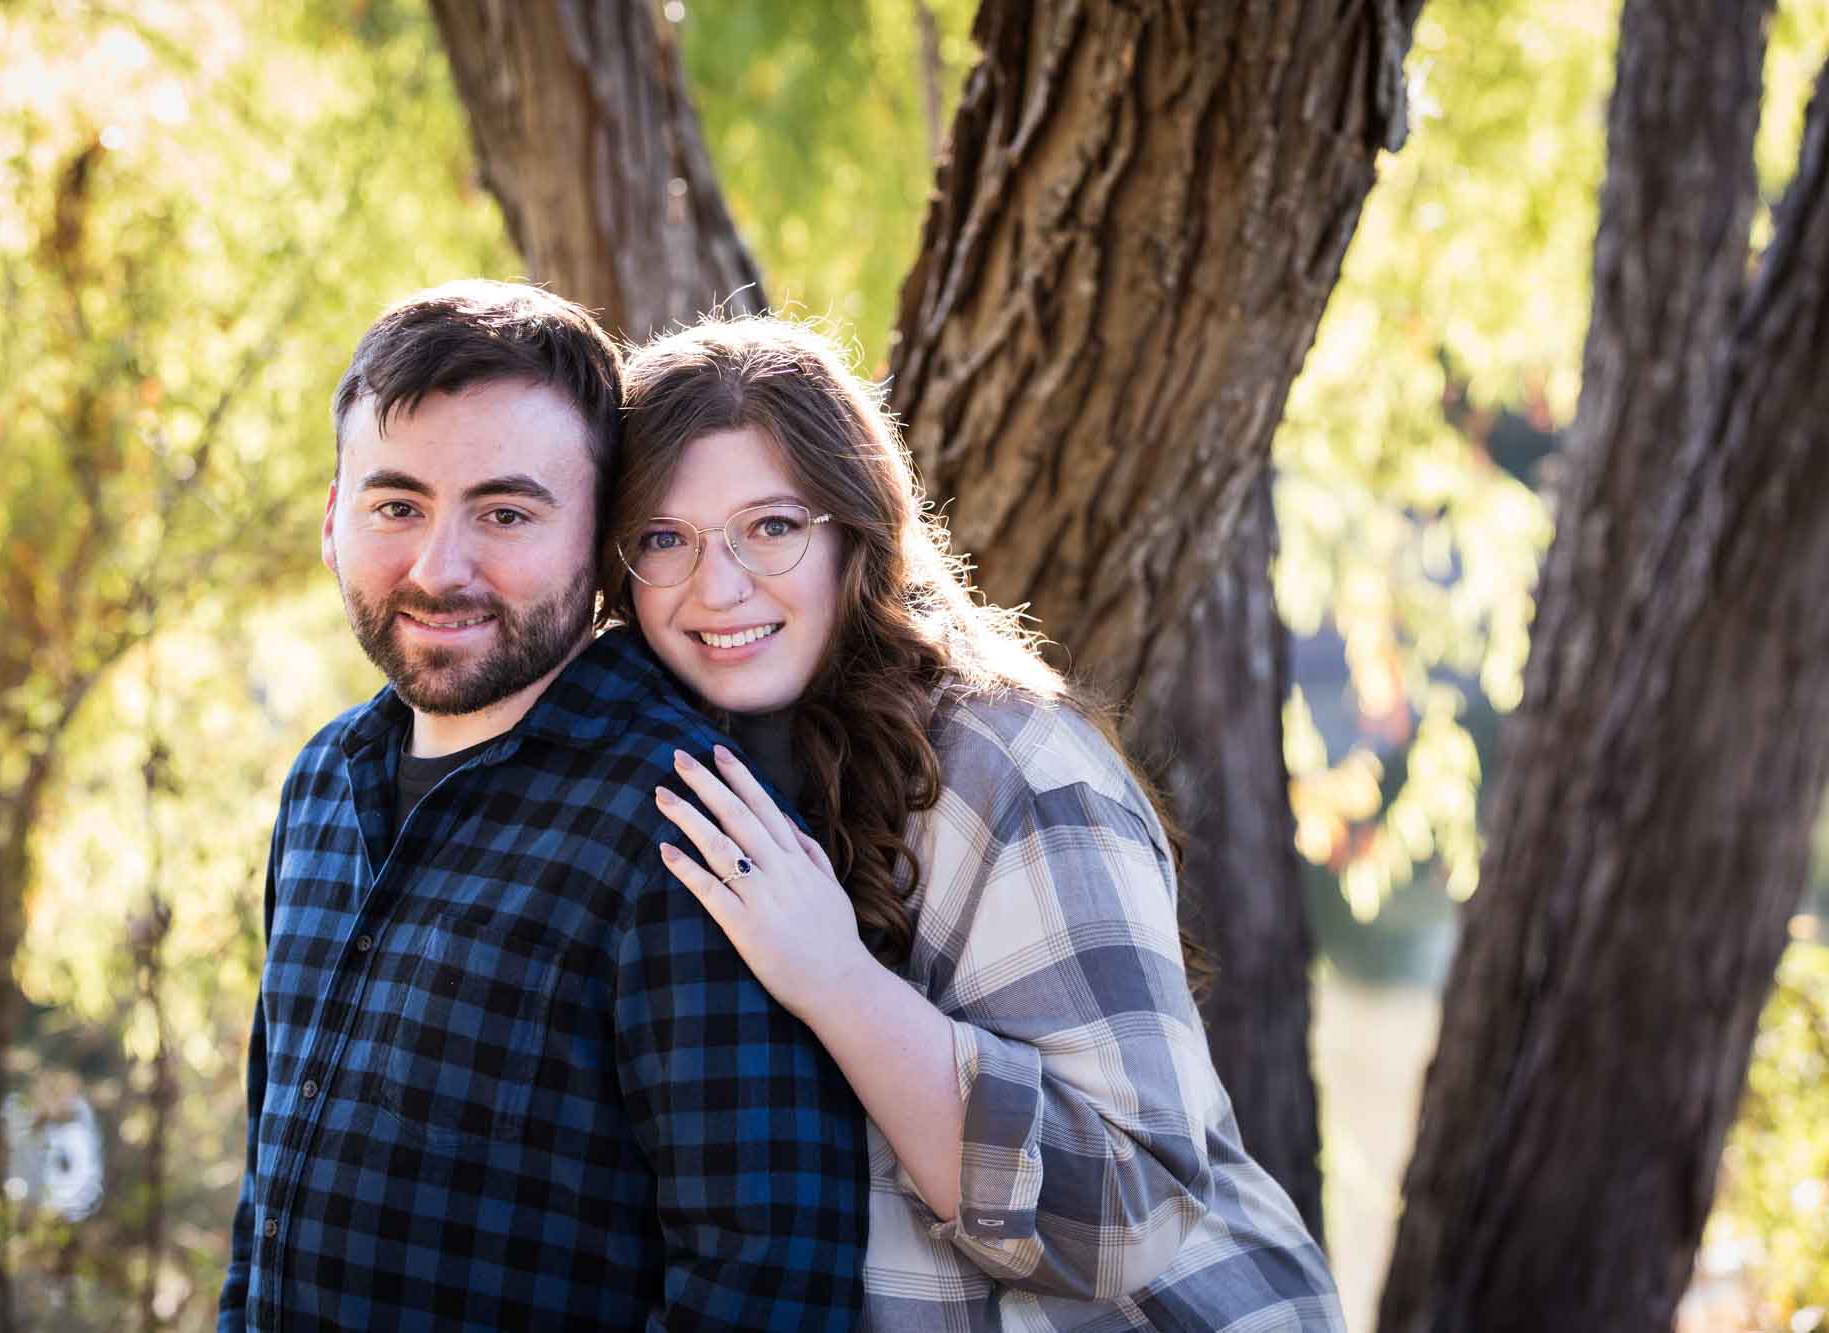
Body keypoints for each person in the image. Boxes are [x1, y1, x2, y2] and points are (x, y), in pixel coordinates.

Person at [605, 316, 1344, 1331]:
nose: (717, 584)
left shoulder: (1010, 768)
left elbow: (1127, 1211)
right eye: (663, 538)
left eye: (771, 526)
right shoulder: (653, 777)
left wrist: (837, 982)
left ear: (851, 531)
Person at [219, 284, 868, 1332]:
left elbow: (766, 1280)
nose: (441, 568)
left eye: (506, 512)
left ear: (600, 543)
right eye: (396, 505)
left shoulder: (683, 817)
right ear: (332, 520)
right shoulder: (319, 787)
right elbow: (268, 1192)